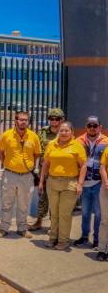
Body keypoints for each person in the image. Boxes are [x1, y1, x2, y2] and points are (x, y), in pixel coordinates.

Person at [39, 121, 87, 250]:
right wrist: (41, 180)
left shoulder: (77, 146)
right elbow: (45, 164)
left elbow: (83, 166)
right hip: (52, 182)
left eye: (66, 130)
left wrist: (80, 184)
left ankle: (63, 241)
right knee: (54, 213)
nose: (64, 133)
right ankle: (53, 238)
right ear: (58, 132)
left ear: (72, 132)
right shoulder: (51, 145)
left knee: (64, 214)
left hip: (70, 183)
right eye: (61, 130)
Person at [0, 110, 42, 239]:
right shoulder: (7, 135)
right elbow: (0, 152)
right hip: (9, 175)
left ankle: (22, 228)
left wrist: (30, 165)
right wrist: (7, 163)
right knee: (7, 203)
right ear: (16, 121)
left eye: (25, 120)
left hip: (26, 176)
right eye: (21, 119)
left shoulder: (33, 136)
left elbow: (37, 153)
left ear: (28, 121)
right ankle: (4, 228)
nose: (23, 122)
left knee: (24, 204)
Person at [75, 116, 108, 248]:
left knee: (99, 213)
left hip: (99, 183)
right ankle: (84, 236)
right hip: (84, 182)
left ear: (100, 127)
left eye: (95, 126)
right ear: (86, 127)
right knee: (85, 212)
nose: (92, 128)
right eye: (90, 126)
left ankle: (97, 239)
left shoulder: (106, 141)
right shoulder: (79, 141)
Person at [30, 107, 65, 231]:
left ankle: (53, 225)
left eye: (57, 119)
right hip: (44, 170)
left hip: (58, 171)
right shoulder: (43, 131)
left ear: (62, 120)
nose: (54, 121)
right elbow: (36, 148)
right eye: (51, 118)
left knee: (55, 198)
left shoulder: (64, 132)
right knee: (42, 196)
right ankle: (39, 221)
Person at [97, 146, 108, 260]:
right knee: (105, 221)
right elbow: (103, 167)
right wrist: (106, 182)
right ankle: (102, 249)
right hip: (106, 189)